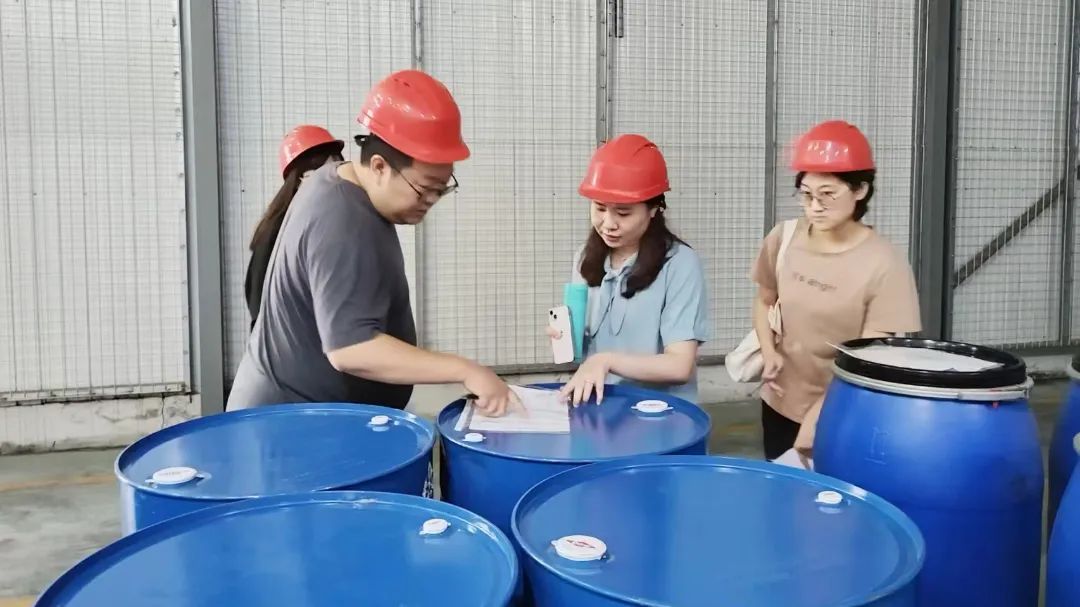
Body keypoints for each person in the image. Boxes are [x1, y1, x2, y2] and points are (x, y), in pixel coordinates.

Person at [227, 69, 519, 416]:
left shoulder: (342, 186)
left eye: (442, 190)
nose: (431, 201)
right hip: (288, 425)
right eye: (425, 189)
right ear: (379, 166)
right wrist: (466, 370)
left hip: (315, 416)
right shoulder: (341, 219)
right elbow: (351, 349)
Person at [750, 120, 921, 462]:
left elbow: (866, 359)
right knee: (782, 487)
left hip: (844, 410)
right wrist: (769, 352)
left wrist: (820, 414)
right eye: (806, 194)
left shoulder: (885, 263)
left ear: (860, 190)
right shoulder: (784, 238)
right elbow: (765, 300)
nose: (814, 206)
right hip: (780, 401)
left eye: (828, 194)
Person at [550, 134, 711, 406]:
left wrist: (606, 360)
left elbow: (679, 365)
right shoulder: (585, 258)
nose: (608, 224)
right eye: (599, 208)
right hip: (598, 405)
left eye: (623, 213)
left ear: (654, 209)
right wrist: (564, 340)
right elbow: (580, 356)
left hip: (658, 412)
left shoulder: (680, 264)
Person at [245, 125, 344, 329]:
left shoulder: (317, 220)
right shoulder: (283, 230)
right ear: (300, 179)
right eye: (323, 173)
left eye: (337, 168)